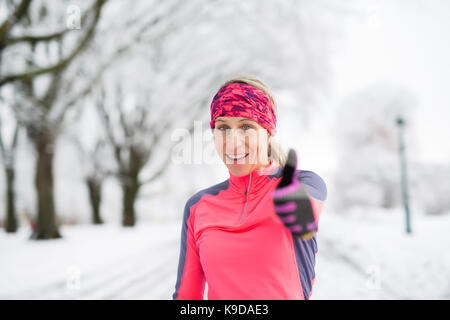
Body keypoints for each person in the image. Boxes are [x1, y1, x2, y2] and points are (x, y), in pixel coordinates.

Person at [172, 76, 327, 300]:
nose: (233, 141)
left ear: (268, 133)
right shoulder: (198, 207)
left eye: (246, 126)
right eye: (223, 128)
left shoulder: (303, 185)